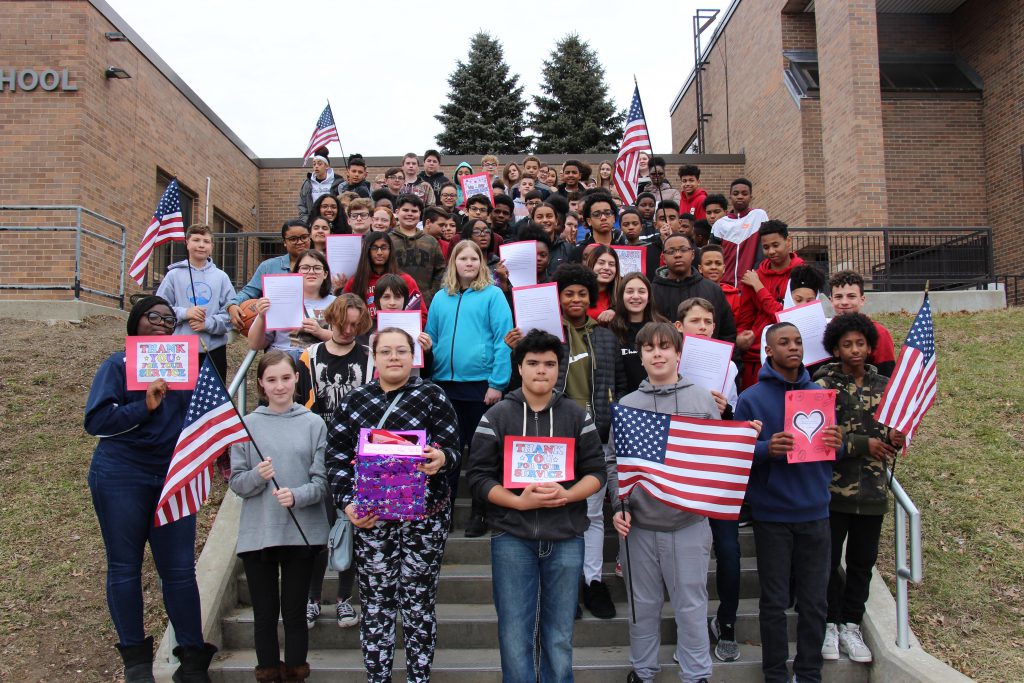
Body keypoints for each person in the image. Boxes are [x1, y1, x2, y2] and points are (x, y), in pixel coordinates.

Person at [85, 297, 216, 683]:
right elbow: (96, 421)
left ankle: (192, 660)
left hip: (174, 475)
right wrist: (142, 405)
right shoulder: (117, 365)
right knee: (124, 566)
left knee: (179, 570)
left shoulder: (188, 367)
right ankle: (136, 663)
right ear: (135, 322)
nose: (162, 322)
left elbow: (206, 419)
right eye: (153, 316)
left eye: (169, 318)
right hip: (122, 474)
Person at [465, 330, 607, 683]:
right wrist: (517, 501)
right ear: (519, 367)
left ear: (559, 369)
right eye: (533, 363)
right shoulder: (496, 416)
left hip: (566, 535)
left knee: (560, 635)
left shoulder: (577, 415)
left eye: (549, 364)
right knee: (515, 634)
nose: (541, 370)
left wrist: (568, 495)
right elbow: (479, 477)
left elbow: (596, 472)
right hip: (512, 536)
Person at [607, 323, 743, 683]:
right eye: (649, 348)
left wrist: (744, 439)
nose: (657, 353)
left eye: (664, 347)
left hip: (688, 524)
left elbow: (717, 457)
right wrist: (618, 505)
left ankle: (697, 673)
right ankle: (643, 670)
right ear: (641, 355)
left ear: (678, 353)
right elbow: (613, 461)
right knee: (642, 607)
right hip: (639, 526)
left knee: (691, 606)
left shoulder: (701, 400)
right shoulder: (627, 405)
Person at [325, 328, 461, 683]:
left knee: (419, 604)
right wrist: (347, 503)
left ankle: (419, 677)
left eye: (401, 350)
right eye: (386, 351)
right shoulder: (356, 400)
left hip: (424, 519)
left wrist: (441, 458)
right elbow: (336, 455)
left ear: (413, 356)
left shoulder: (432, 395)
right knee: (375, 606)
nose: (394, 357)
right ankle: (378, 677)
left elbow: (454, 448)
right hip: (373, 519)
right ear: (375, 357)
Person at [505, 263, 625, 620]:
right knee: (559, 508)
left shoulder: (604, 335)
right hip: (553, 435)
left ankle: (592, 581)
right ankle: (565, 583)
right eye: (568, 293)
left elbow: (617, 382)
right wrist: (516, 349)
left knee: (592, 512)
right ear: (558, 298)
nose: (575, 299)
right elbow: (528, 378)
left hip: (598, 431)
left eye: (582, 293)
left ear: (591, 297)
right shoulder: (545, 336)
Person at [733, 322, 845, 683]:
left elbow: (831, 454)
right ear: (768, 351)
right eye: (784, 342)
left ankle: (810, 672)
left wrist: (837, 442)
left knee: (814, 602)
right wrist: (767, 449)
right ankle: (775, 674)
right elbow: (736, 456)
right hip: (773, 516)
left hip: (816, 512)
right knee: (774, 602)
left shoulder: (821, 395)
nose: (793, 347)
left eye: (797, 341)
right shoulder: (750, 398)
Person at [229, 351, 328, 683]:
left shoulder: (314, 423)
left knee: (296, 613)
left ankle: (297, 672)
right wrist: (258, 475)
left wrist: (297, 495)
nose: (280, 386)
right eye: (271, 380)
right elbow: (238, 484)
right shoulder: (246, 424)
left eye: (286, 378)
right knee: (265, 614)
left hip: (302, 532)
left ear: (296, 379)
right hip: (259, 534)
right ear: (260, 384)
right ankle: (268, 672)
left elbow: (322, 482)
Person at [816, 313, 905, 666]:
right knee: (826, 562)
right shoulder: (822, 385)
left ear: (870, 347)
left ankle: (852, 623)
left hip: (872, 491)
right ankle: (829, 622)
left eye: (860, 344)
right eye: (847, 344)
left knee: (862, 562)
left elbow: (892, 435)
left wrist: (895, 438)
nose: (855, 350)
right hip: (833, 491)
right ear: (835, 348)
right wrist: (862, 444)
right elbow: (820, 437)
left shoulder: (885, 386)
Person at [673, 297, 745, 663]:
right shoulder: (669, 362)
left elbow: (732, 418)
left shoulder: (728, 366)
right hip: (683, 466)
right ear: (679, 326)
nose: (702, 326)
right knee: (688, 556)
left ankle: (727, 623)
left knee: (729, 551)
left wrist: (724, 409)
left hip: (717, 466)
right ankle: (690, 629)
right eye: (695, 320)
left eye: (708, 321)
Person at [426, 240, 514, 535]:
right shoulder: (440, 298)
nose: (468, 263)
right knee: (447, 452)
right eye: (462, 258)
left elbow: (504, 340)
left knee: (480, 453)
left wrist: (497, 383)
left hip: (481, 387)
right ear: (453, 262)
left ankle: (480, 511)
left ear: (481, 263)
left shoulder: (493, 296)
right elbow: (432, 337)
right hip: (444, 385)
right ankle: (445, 509)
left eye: (474, 258)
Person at [298, 295, 375, 633]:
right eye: (342, 322)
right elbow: (300, 404)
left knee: (350, 527)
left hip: (357, 456)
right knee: (316, 531)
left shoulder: (370, 358)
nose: (347, 330)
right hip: (318, 452)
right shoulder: (310, 356)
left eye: (355, 325)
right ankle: (312, 598)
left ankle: (345, 597)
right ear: (330, 318)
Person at [155, 224, 234, 380]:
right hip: (179, 351)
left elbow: (231, 313)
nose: (201, 245)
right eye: (196, 240)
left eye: (206, 241)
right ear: (187, 242)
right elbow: (158, 310)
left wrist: (208, 324)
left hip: (214, 351)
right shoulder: (173, 275)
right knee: (180, 399)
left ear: (212, 246)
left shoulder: (222, 277)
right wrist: (185, 313)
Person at [736, 220, 806, 389]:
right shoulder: (752, 277)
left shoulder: (802, 274)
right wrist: (740, 338)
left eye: (776, 245)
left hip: (792, 356)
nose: (771, 251)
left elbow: (786, 317)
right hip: (756, 357)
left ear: (788, 241)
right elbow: (745, 320)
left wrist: (759, 287)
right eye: (766, 247)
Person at [651, 233, 737, 345]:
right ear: (664, 258)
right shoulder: (651, 292)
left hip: (706, 358)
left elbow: (727, 333)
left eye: (683, 250)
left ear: (692, 254)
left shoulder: (713, 290)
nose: (677, 255)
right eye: (671, 251)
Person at [246, 249, 336, 352]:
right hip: (283, 359)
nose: (311, 272)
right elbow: (255, 345)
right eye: (305, 268)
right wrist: (262, 316)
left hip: (319, 361)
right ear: (297, 272)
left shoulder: (336, 303)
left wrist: (320, 332)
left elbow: (347, 339)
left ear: (325, 274)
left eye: (317, 268)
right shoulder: (278, 299)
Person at [229, 220, 312, 328]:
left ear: (309, 238)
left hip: (310, 327)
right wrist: (232, 304)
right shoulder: (269, 266)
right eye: (293, 239)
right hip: (275, 331)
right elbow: (249, 291)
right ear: (284, 242)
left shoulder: (321, 265)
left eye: (304, 237)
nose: (300, 242)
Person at [343, 231, 424, 323]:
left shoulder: (405, 280)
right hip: (364, 334)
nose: (379, 252)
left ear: (390, 250)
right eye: (374, 248)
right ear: (367, 250)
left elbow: (421, 314)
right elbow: (344, 312)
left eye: (384, 247)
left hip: (399, 333)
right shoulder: (356, 281)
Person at [827, 271, 896, 377]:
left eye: (851, 296)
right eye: (838, 297)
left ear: (862, 300)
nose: (844, 302)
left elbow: (887, 373)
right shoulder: (824, 331)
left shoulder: (880, 333)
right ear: (831, 300)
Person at [608, 273, 667, 394]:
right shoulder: (611, 330)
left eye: (641, 291)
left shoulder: (663, 327)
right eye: (630, 291)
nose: (635, 296)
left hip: (660, 398)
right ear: (621, 296)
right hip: (625, 403)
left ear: (649, 296)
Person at [710, 178, 769, 289]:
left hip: (751, 284)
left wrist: (756, 272)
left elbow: (763, 249)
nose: (740, 196)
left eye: (744, 193)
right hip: (725, 286)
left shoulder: (759, 215)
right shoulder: (720, 224)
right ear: (730, 197)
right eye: (736, 193)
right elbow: (713, 255)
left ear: (751, 197)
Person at [390, 194, 446, 304]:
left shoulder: (431, 242)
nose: (410, 214)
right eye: (405, 210)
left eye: (414, 211)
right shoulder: (388, 240)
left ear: (420, 214)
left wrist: (430, 295)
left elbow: (440, 271)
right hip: (393, 300)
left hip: (425, 302)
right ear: (397, 212)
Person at [570, 193, 625, 262]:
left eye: (607, 213)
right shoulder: (579, 251)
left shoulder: (624, 248)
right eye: (597, 214)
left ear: (613, 218)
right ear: (589, 221)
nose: (603, 218)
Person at [298, 147, 344, 223]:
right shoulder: (307, 184)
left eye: (319, 164)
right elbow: (302, 205)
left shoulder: (338, 182)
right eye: (314, 164)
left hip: (333, 223)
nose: (316, 166)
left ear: (327, 166)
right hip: (312, 223)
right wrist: (306, 222)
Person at [698, 244, 741, 323]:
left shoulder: (734, 297)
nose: (713, 267)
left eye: (718, 263)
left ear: (724, 268)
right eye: (708, 263)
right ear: (700, 269)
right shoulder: (693, 292)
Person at [583, 244, 620, 323]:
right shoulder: (579, 293)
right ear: (591, 264)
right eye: (601, 263)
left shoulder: (622, 297)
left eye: (611, 264)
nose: (606, 268)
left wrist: (616, 311)